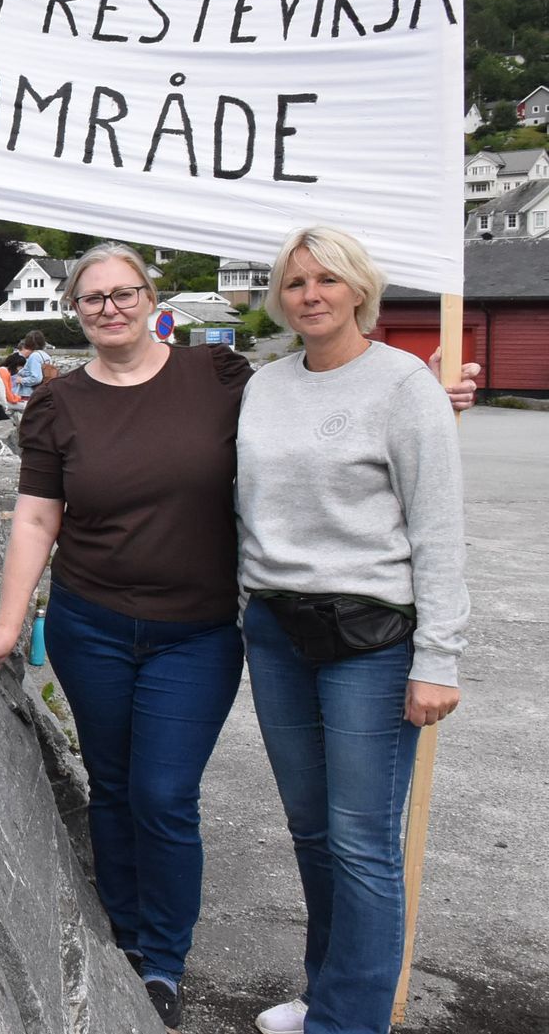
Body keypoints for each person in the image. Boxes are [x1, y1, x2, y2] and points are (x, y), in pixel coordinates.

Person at [0, 242, 478, 1034]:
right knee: (127, 791)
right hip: (121, 624)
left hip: (222, 631)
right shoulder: (86, 402)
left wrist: (431, 396)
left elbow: (370, 431)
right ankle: (134, 946)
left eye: (125, 292)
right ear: (74, 308)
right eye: (92, 297)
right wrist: (8, 622)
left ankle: (176, 963)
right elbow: (35, 516)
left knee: (183, 800)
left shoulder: (222, 377)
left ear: (152, 297)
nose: (110, 307)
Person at [236, 228, 466, 1034]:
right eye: (295, 281)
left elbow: (439, 529)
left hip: (371, 639)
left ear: (359, 288)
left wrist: (438, 656)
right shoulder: (263, 386)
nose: (311, 293)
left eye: (328, 278)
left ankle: (350, 1022)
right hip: (276, 630)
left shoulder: (405, 386)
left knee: (362, 840)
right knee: (310, 829)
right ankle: (327, 989)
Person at [13, 329, 53, 402]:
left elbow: (36, 378)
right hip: (42, 392)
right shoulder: (46, 356)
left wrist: (21, 380)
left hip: (29, 394)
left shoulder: (34, 356)